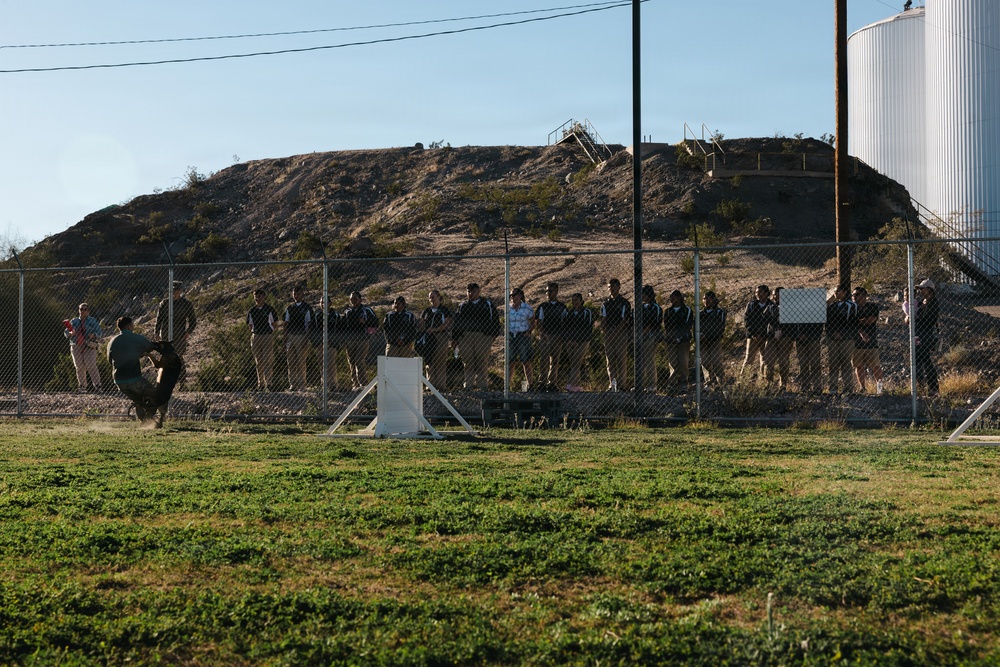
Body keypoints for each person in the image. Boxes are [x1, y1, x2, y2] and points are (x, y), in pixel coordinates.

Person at [107, 316, 173, 428]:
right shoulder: (136, 338)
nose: (133, 326)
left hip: (119, 381)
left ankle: (147, 422)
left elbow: (110, 360)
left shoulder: (112, 341)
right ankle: (152, 421)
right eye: (132, 324)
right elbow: (151, 346)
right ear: (129, 326)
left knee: (140, 400)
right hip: (134, 379)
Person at [453, 283, 500, 391]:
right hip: (465, 336)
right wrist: (455, 338)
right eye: (468, 291)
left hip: (483, 336)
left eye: (473, 291)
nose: (470, 293)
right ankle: (468, 384)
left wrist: (492, 335)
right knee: (467, 361)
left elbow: (495, 320)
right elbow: (456, 323)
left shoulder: (487, 304)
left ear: (479, 291)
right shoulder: (462, 306)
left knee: (482, 360)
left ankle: (482, 385)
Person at [155, 280, 197, 386]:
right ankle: (163, 382)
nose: (175, 293)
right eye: (173, 291)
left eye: (177, 290)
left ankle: (182, 382)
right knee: (165, 358)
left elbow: (193, 321)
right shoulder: (164, 303)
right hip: (165, 334)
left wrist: (188, 332)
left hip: (179, 335)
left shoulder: (186, 304)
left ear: (181, 291)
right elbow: (159, 319)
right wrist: (156, 332)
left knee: (178, 358)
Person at [599, 278, 632, 391]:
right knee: (610, 360)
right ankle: (612, 385)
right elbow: (603, 319)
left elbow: (625, 320)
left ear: (619, 287)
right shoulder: (606, 303)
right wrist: (607, 332)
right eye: (609, 287)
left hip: (621, 334)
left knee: (621, 359)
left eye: (613, 286)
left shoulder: (624, 303)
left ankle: (622, 385)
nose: (611, 289)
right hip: (609, 333)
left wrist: (615, 333)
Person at [534, 282, 567, 392]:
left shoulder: (562, 307)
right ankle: (542, 382)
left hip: (557, 336)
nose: (548, 293)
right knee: (544, 360)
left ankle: (552, 382)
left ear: (556, 291)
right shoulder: (543, 306)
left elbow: (565, 322)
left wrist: (561, 336)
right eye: (547, 291)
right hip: (545, 336)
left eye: (550, 291)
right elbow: (538, 321)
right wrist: (542, 334)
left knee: (555, 361)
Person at [341, 291, 378, 389]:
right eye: (351, 299)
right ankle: (355, 384)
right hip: (350, 339)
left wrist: (365, 322)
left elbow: (375, 322)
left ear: (360, 299)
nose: (353, 301)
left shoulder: (366, 310)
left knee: (359, 360)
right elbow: (343, 324)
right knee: (352, 362)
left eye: (355, 299)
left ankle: (364, 383)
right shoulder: (347, 311)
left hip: (362, 339)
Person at [63, 302, 102, 392]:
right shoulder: (74, 321)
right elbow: (66, 333)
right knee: (79, 366)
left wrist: (94, 335)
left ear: (88, 311)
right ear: (79, 310)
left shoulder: (93, 321)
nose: (83, 311)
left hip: (89, 345)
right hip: (76, 345)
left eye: (85, 309)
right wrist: (71, 333)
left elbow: (99, 333)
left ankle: (97, 385)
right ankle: (82, 386)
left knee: (91, 365)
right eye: (81, 309)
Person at [826, 284, 858, 394]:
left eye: (838, 291)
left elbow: (853, 322)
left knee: (846, 362)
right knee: (833, 363)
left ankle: (848, 388)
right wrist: (833, 333)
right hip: (832, 338)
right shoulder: (831, 306)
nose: (836, 293)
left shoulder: (851, 305)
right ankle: (833, 388)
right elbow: (828, 323)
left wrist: (842, 334)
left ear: (844, 292)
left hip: (847, 338)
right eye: (835, 291)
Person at [852, 286, 884, 394]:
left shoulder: (872, 306)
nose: (854, 297)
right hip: (856, 342)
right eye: (853, 295)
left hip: (871, 341)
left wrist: (857, 322)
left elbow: (871, 319)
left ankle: (880, 388)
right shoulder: (851, 308)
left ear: (864, 296)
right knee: (859, 365)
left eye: (857, 294)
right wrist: (860, 329)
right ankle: (862, 388)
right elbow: (850, 323)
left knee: (875, 366)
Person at [662, 289, 693, 393]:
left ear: (680, 297)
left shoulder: (687, 310)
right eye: (671, 297)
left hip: (683, 340)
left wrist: (680, 336)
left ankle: (684, 383)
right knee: (672, 362)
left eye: (674, 296)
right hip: (671, 340)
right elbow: (667, 326)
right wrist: (672, 337)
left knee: (683, 361)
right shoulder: (668, 311)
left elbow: (687, 324)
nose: (672, 299)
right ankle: (672, 384)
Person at [283, 285, 313, 391]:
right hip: (291, 336)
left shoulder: (307, 308)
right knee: (291, 361)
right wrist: (285, 338)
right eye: (294, 294)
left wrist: (307, 338)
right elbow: (286, 323)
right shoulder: (290, 308)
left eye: (298, 294)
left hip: (301, 335)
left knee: (301, 361)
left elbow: (309, 323)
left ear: (303, 294)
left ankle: (302, 385)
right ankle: (293, 384)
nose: (296, 296)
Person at [420, 290, 452, 390]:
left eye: (433, 297)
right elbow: (422, 322)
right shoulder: (427, 311)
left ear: (438, 297)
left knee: (440, 360)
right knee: (430, 360)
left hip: (441, 336)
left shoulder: (444, 310)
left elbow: (446, 323)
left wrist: (435, 329)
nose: (431, 299)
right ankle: (430, 384)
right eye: (430, 297)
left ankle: (441, 385)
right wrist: (424, 330)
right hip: (429, 337)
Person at [246, 289, 277, 392]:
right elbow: (250, 325)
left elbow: (274, 323)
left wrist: (269, 331)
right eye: (255, 296)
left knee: (267, 360)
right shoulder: (252, 310)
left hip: (267, 336)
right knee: (258, 361)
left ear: (264, 297)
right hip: (256, 336)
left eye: (259, 296)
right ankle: (260, 384)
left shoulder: (269, 309)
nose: (257, 298)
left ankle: (269, 383)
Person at [914, 278, 940, 395]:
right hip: (919, 333)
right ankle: (922, 387)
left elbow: (928, 320)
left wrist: (919, 314)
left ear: (929, 290)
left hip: (926, 334)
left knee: (924, 359)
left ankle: (931, 387)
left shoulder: (933, 303)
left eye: (922, 289)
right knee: (921, 359)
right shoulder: (922, 301)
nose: (920, 291)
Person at [741, 285, 772, 380]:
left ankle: (764, 379)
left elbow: (772, 321)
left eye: (760, 292)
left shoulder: (771, 305)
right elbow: (747, 320)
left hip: (766, 337)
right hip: (753, 336)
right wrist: (754, 334)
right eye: (756, 292)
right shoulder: (751, 305)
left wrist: (763, 335)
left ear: (766, 293)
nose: (757, 294)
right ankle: (742, 380)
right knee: (748, 359)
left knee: (765, 359)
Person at [563, 293, 593, 392]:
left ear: (581, 301)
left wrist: (578, 341)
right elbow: (566, 328)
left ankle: (570, 385)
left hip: (583, 341)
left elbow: (588, 328)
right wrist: (569, 340)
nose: (574, 302)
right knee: (574, 363)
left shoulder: (586, 312)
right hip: (570, 342)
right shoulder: (569, 313)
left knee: (576, 361)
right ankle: (577, 385)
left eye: (576, 300)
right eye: (573, 300)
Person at [764, 287, 792, 390]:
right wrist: (773, 331)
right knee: (768, 361)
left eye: (777, 294)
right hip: (771, 337)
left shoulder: (790, 307)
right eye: (773, 294)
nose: (774, 296)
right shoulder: (770, 306)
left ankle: (783, 384)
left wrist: (782, 330)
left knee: (783, 362)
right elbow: (765, 319)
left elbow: (792, 323)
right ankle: (768, 384)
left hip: (785, 338)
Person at [507, 287, 535, 391]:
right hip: (511, 336)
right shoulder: (508, 308)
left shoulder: (527, 308)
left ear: (520, 296)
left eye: (514, 295)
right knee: (510, 361)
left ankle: (530, 384)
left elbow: (533, 320)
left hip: (523, 335)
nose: (512, 297)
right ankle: (507, 385)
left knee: (526, 361)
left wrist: (529, 331)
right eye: (511, 295)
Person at [312, 297, 341, 391]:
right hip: (320, 344)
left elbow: (339, 330)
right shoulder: (317, 315)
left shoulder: (335, 315)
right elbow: (314, 330)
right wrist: (317, 343)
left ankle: (333, 384)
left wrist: (334, 343)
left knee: (331, 363)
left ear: (330, 303)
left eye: (325, 303)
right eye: (321, 303)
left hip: (332, 344)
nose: (322, 305)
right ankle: (325, 384)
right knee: (322, 364)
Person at [699, 291, 727, 387]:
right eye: (704, 298)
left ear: (713, 299)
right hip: (702, 342)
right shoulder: (700, 313)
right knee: (705, 362)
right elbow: (696, 328)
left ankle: (721, 383)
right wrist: (699, 337)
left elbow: (720, 327)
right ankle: (709, 382)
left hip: (715, 340)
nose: (706, 301)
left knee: (716, 362)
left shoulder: (720, 312)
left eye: (708, 298)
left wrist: (708, 336)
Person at [637, 285, 662, 392]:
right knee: (640, 361)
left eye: (642, 294)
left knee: (649, 360)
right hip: (640, 336)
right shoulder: (640, 307)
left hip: (651, 336)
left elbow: (655, 322)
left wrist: (646, 331)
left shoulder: (655, 307)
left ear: (647, 295)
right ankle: (640, 385)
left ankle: (652, 385)